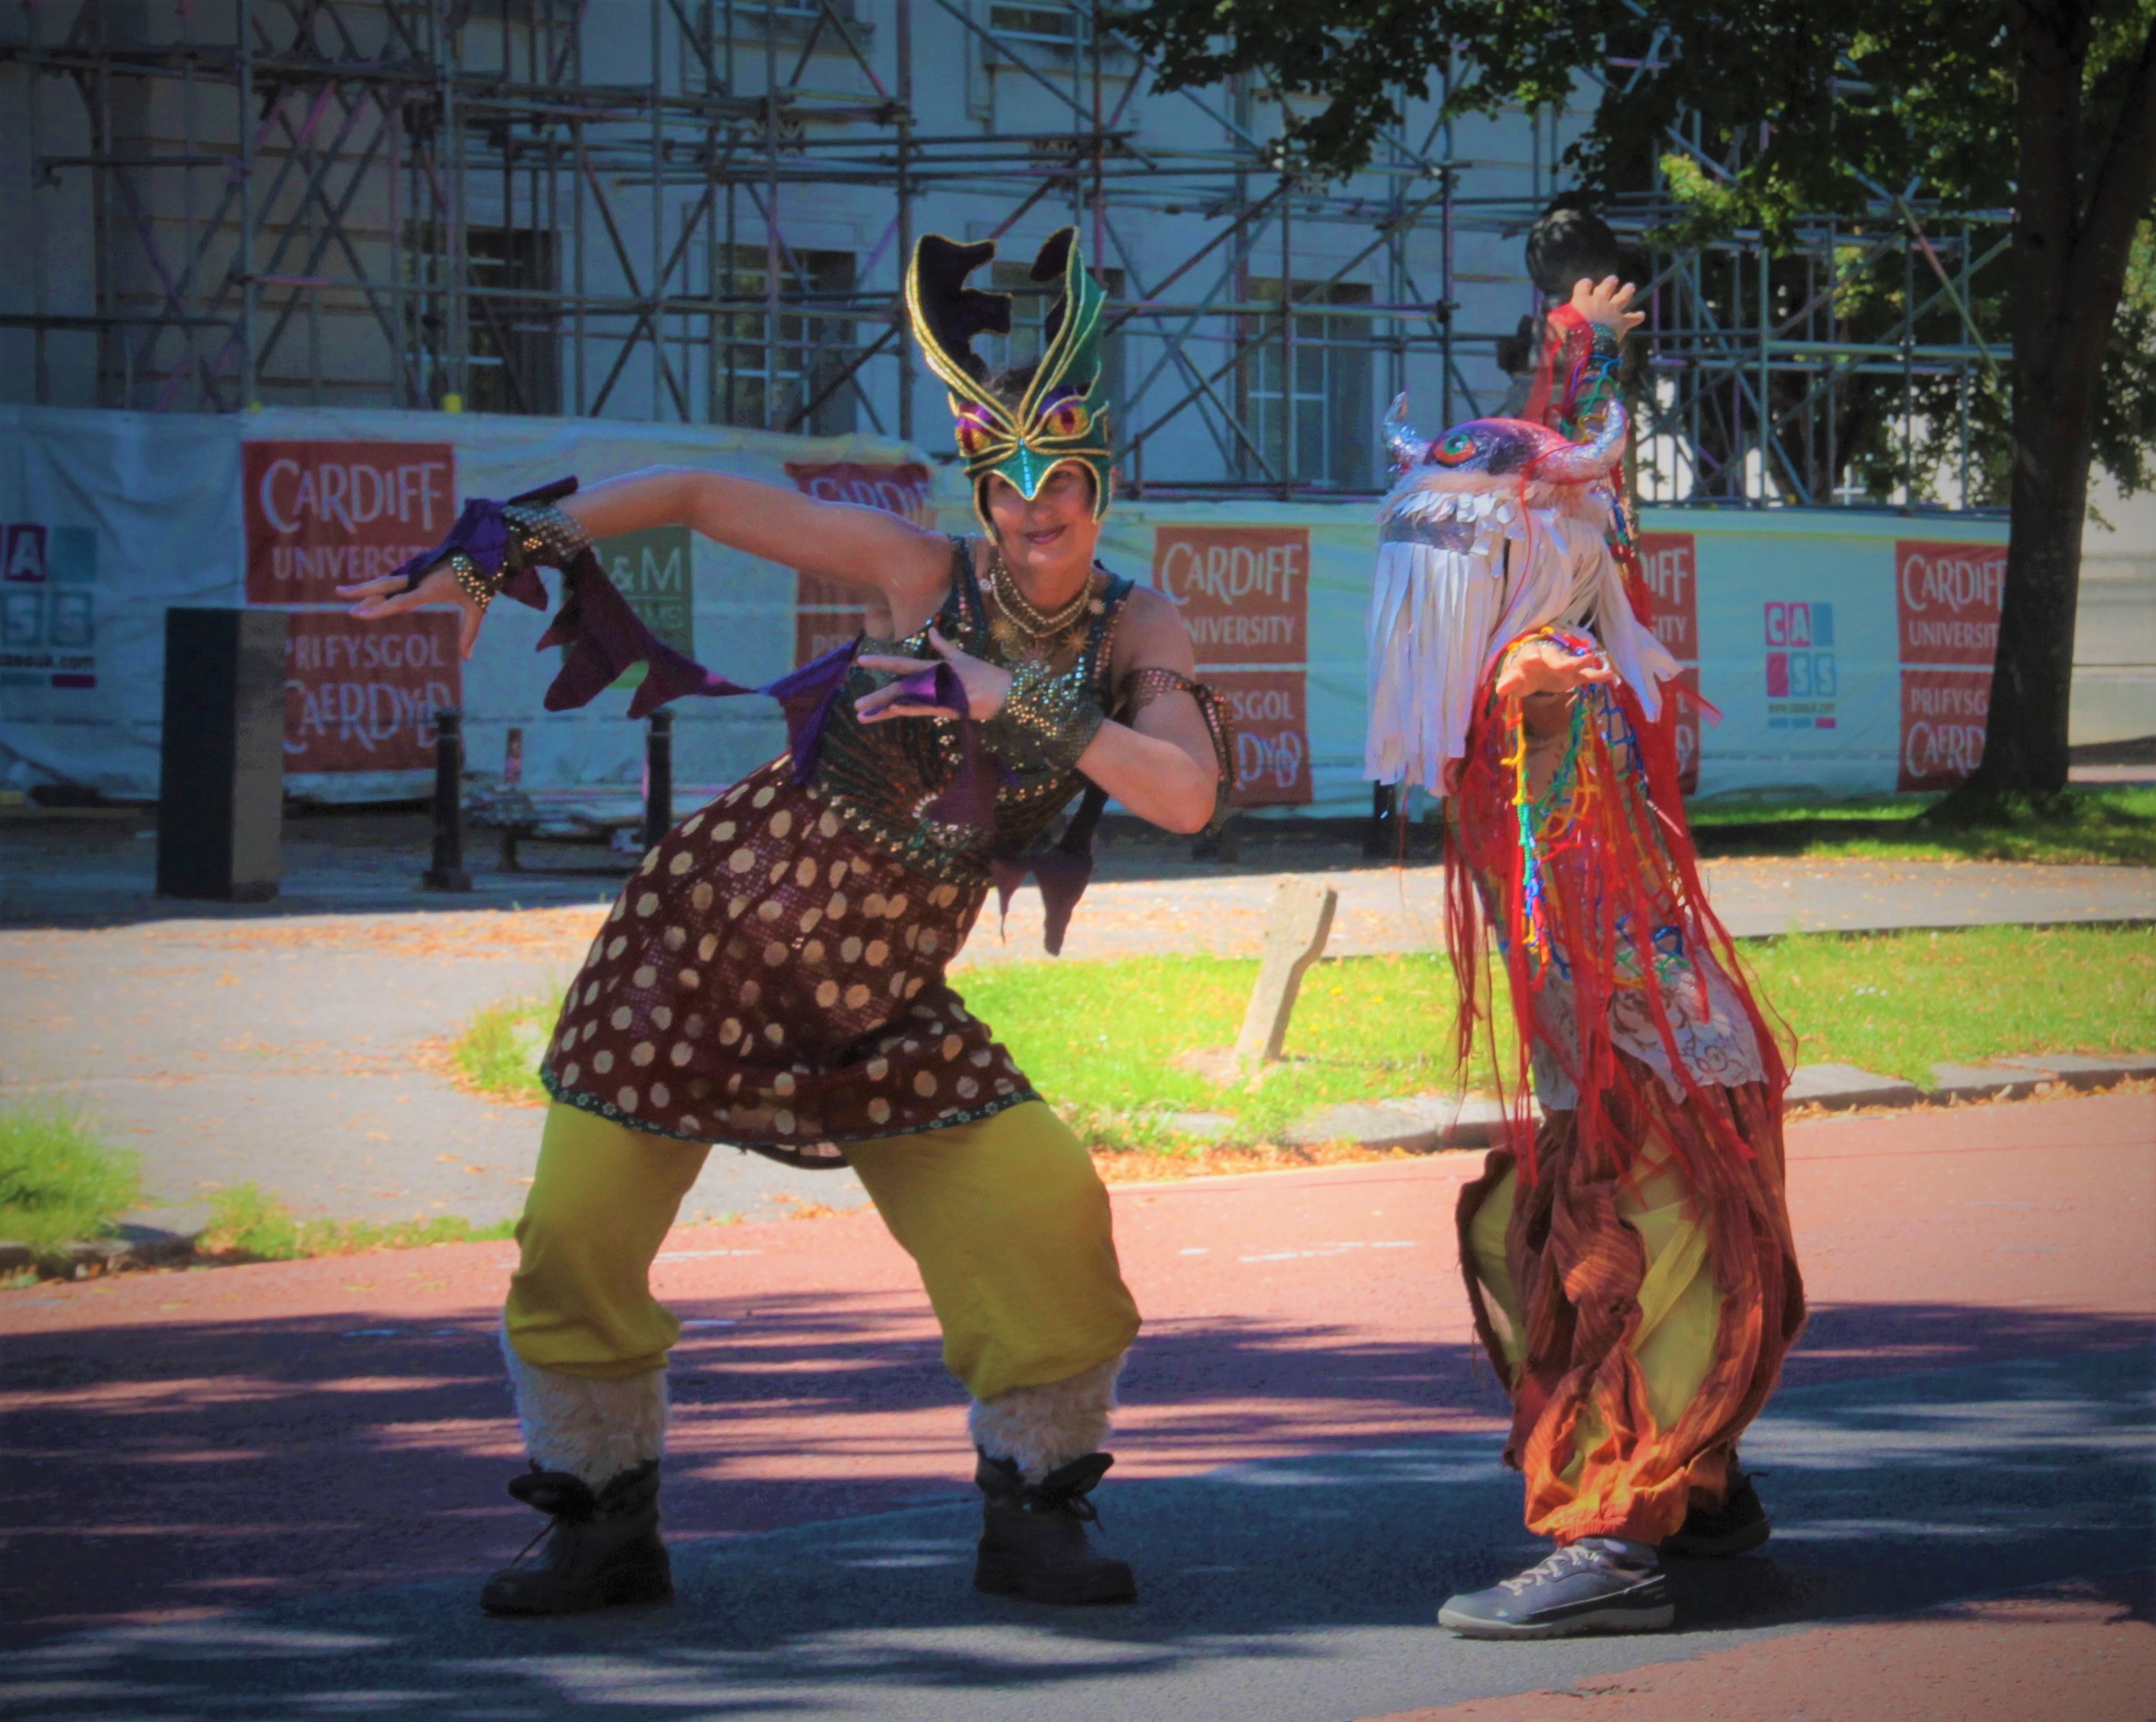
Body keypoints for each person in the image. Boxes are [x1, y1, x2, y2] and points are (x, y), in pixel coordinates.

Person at [337, 228, 1232, 1616]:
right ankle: (602, 1522)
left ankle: (1037, 1509)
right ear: (980, 492)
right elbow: (699, 491)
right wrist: (512, 534)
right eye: (1008, 486)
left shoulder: (1138, 629)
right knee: (578, 1233)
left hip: (878, 996)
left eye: (1061, 484)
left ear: (1103, 485)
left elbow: (1184, 796)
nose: (1034, 511)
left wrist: (1018, 702)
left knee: (1047, 1211)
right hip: (704, 942)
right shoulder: (919, 572)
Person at [1365, 278, 1804, 1639]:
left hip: (1651, 1065)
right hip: (1629, 1056)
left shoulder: (1540, 675)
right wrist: (1577, 359)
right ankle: (1703, 1486)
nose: (1424, 595)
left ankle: (1613, 1530)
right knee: (1533, 1236)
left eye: (1445, 564)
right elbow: (1573, 490)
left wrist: (1579, 393)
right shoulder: (1527, 658)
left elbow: (1569, 516)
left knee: (1619, 1263)